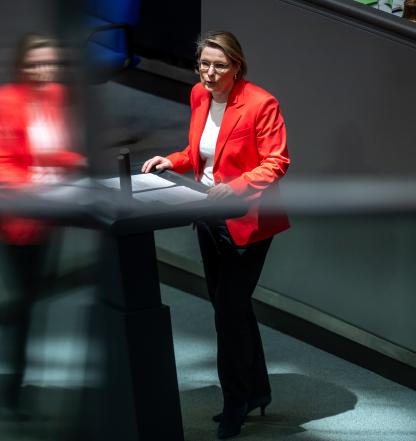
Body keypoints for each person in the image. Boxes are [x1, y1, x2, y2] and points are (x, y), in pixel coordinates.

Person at [142, 30, 290, 439]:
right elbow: (199, 155)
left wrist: (237, 185)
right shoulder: (198, 95)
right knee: (232, 309)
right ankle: (258, 389)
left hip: (248, 220)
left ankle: (235, 402)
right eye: (203, 64)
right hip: (208, 216)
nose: (208, 72)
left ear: (237, 66)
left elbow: (277, 161)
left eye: (218, 65)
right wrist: (169, 160)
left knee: (228, 313)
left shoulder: (261, 103)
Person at [0, 33, 84, 416]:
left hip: (51, 214)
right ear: (21, 65)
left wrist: (75, 161)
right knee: (24, 302)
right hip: (17, 217)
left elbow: (47, 149)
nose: (43, 69)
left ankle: (19, 381)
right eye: (35, 63)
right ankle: (12, 390)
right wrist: (32, 189)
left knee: (35, 299)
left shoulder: (54, 95)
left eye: (49, 62)